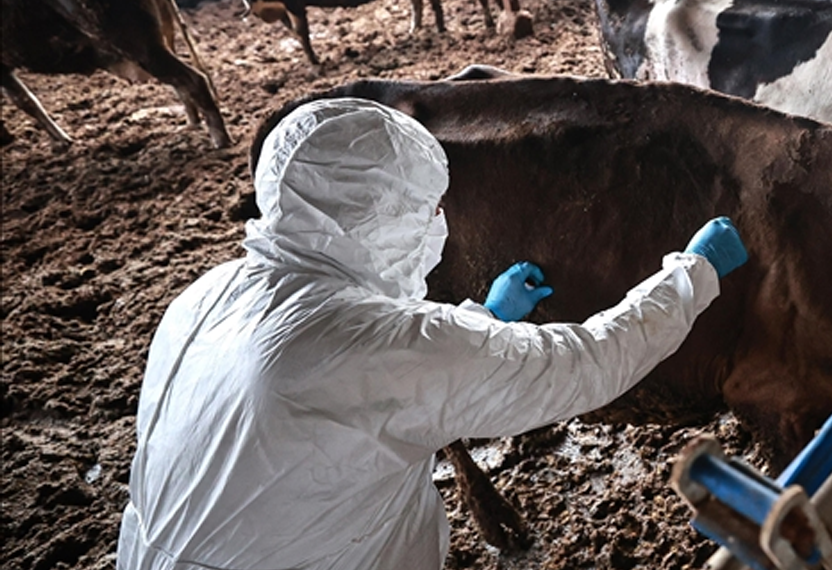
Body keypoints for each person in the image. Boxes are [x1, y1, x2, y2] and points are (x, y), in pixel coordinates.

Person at [116, 97, 748, 570]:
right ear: (380, 216)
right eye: (423, 207)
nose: (437, 221)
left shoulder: (205, 295)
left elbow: (368, 380)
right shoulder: (375, 342)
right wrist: (692, 273)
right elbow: (587, 362)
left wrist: (482, 319)